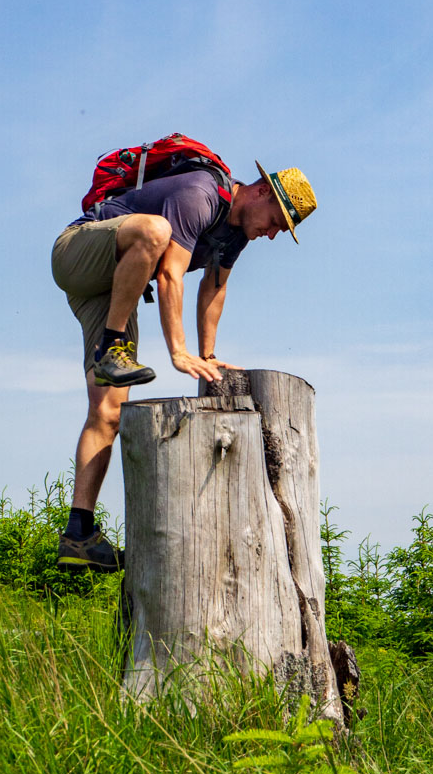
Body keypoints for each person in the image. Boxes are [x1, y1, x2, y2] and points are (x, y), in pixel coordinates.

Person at [50, 151, 317, 570]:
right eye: (277, 222)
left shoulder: (236, 235)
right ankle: (113, 346)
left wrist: (208, 356)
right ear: (263, 191)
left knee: (108, 413)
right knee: (155, 231)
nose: (271, 235)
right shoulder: (201, 194)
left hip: (108, 288)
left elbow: (214, 287)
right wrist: (178, 351)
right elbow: (169, 274)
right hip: (78, 252)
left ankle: (78, 534)